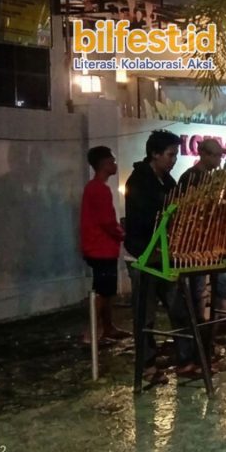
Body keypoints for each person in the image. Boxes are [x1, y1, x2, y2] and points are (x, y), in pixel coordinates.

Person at [125, 130, 195, 380]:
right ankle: (147, 366)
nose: (173, 160)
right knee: (146, 315)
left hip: (165, 254)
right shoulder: (138, 181)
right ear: (155, 154)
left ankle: (186, 361)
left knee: (179, 309)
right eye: (170, 155)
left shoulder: (167, 181)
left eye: (175, 155)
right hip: (143, 255)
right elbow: (145, 220)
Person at [176, 138, 226, 361]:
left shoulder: (210, 178)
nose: (219, 160)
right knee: (198, 290)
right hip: (195, 243)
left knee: (221, 286)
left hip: (211, 242)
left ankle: (212, 334)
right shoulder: (190, 178)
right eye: (216, 156)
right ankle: (199, 335)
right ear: (204, 155)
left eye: (220, 156)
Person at [79, 146, 129, 344]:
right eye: (113, 161)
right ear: (104, 163)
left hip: (97, 247)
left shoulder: (93, 187)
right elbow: (107, 221)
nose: (115, 165)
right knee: (102, 291)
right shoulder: (100, 189)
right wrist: (122, 233)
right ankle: (90, 333)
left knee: (105, 290)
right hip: (101, 248)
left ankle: (108, 328)